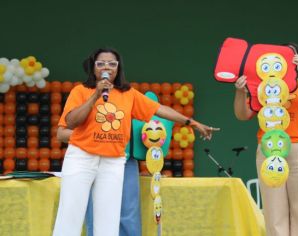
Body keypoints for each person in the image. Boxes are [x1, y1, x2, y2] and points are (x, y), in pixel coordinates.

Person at [52, 47, 219, 236]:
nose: (107, 67)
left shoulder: (128, 94)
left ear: (118, 68)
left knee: (108, 220)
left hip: (113, 160)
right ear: (93, 68)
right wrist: (95, 96)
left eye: (112, 64)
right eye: (101, 63)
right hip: (82, 157)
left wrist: (192, 123)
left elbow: (159, 109)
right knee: (70, 214)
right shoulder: (80, 91)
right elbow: (71, 122)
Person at [233, 43, 298, 236]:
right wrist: (241, 91)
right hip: (269, 148)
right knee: (274, 210)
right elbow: (243, 115)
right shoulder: (263, 88)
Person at [57, 126, 142, 236]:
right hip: (93, 155)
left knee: (128, 215)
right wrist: (96, 136)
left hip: (126, 157)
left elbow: (154, 111)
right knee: (97, 215)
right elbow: (61, 133)